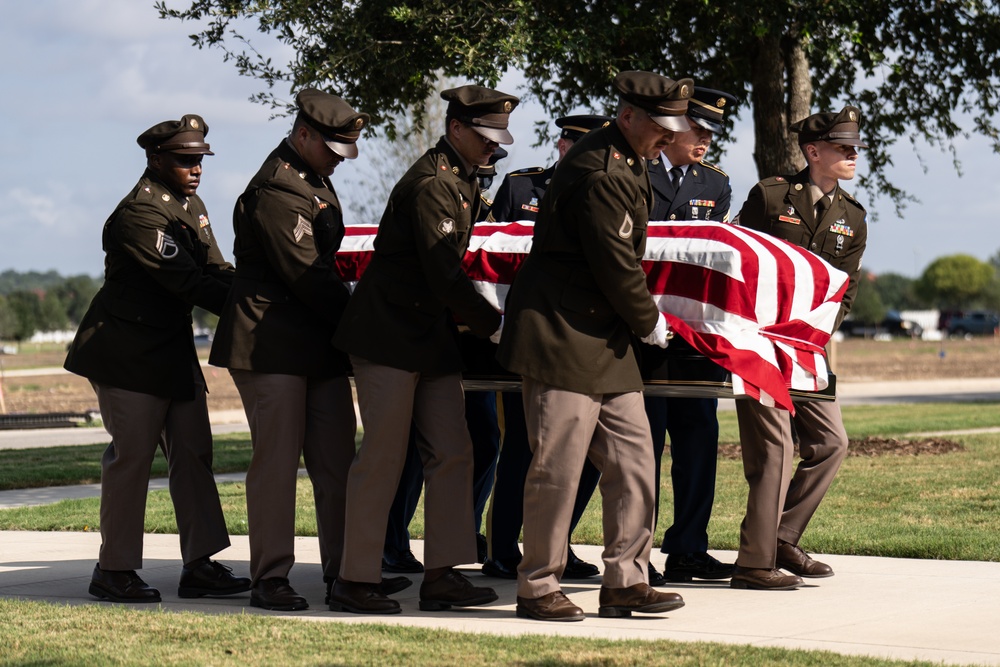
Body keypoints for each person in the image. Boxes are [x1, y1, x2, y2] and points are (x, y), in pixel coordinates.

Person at [497, 71, 691, 621]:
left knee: (633, 459)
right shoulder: (603, 169)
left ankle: (626, 580)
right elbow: (613, 260)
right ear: (628, 115)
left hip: (602, 338)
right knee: (557, 468)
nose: (667, 137)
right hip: (562, 334)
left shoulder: (627, 158)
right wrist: (648, 319)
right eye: (660, 126)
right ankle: (537, 586)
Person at [208, 89, 397, 611]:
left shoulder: (311, 180)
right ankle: (270, 577)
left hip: (314, 345)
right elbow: (309, 276)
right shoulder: (277, 188)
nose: (339, 158)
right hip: (271, 344)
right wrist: (370, 322)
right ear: (304, 134)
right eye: (332, 147)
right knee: (276, 464)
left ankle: (349, 574)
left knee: (338, 462)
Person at [330, 84, 514, 615]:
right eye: (485, 137)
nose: (493, 148)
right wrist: (494, 326)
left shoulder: (460, 178)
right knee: (384, 456)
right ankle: (355, 578)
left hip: (428, 340)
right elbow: (443, 274)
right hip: (388, 337)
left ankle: (443, 575)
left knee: (454, 449)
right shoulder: (433, 183)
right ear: (455, 128)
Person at [64, 114, 250, 603]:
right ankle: (113, 569)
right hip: (126, 353)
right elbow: (188, 282)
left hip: (170, 348)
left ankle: (201, 564)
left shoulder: (191, 205)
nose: (197, 168)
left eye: (201, 160)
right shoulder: (140, 214)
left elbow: (217, 269)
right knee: (132, 459)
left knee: (193, 453)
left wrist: (261, 290)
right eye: (186, 160)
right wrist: (259, 304)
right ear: (156, 159)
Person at [729, 106, 869, 590]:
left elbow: (844, 289)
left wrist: (819, 332)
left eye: (854, 148)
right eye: (842, 147)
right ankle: (753, 562)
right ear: (813, 151)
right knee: (775, 448)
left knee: (832, 443)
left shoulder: (853, 216)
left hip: (809, 347)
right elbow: (741, 261)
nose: (853, 154)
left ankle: (783, 537)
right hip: (760, 344)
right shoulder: (769, 197)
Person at [481, 114, 611, 582]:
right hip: (525, 333)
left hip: (582, 338)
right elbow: (488, 251)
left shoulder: (606, 186)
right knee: (519, 445)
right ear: (561, 145)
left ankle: (558, 543)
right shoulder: (521, 188)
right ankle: (500, 549)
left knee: (587, 454)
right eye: (574, 144)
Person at [641, 87, 737, 587]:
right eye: (695, 130)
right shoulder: (641, 170)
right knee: (645, 445)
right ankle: (638, 553)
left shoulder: (715, 183)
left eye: (709, 134)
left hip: (694, 335)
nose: (703, 140)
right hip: (644, 331)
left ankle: (689, 549)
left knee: (698, 440)